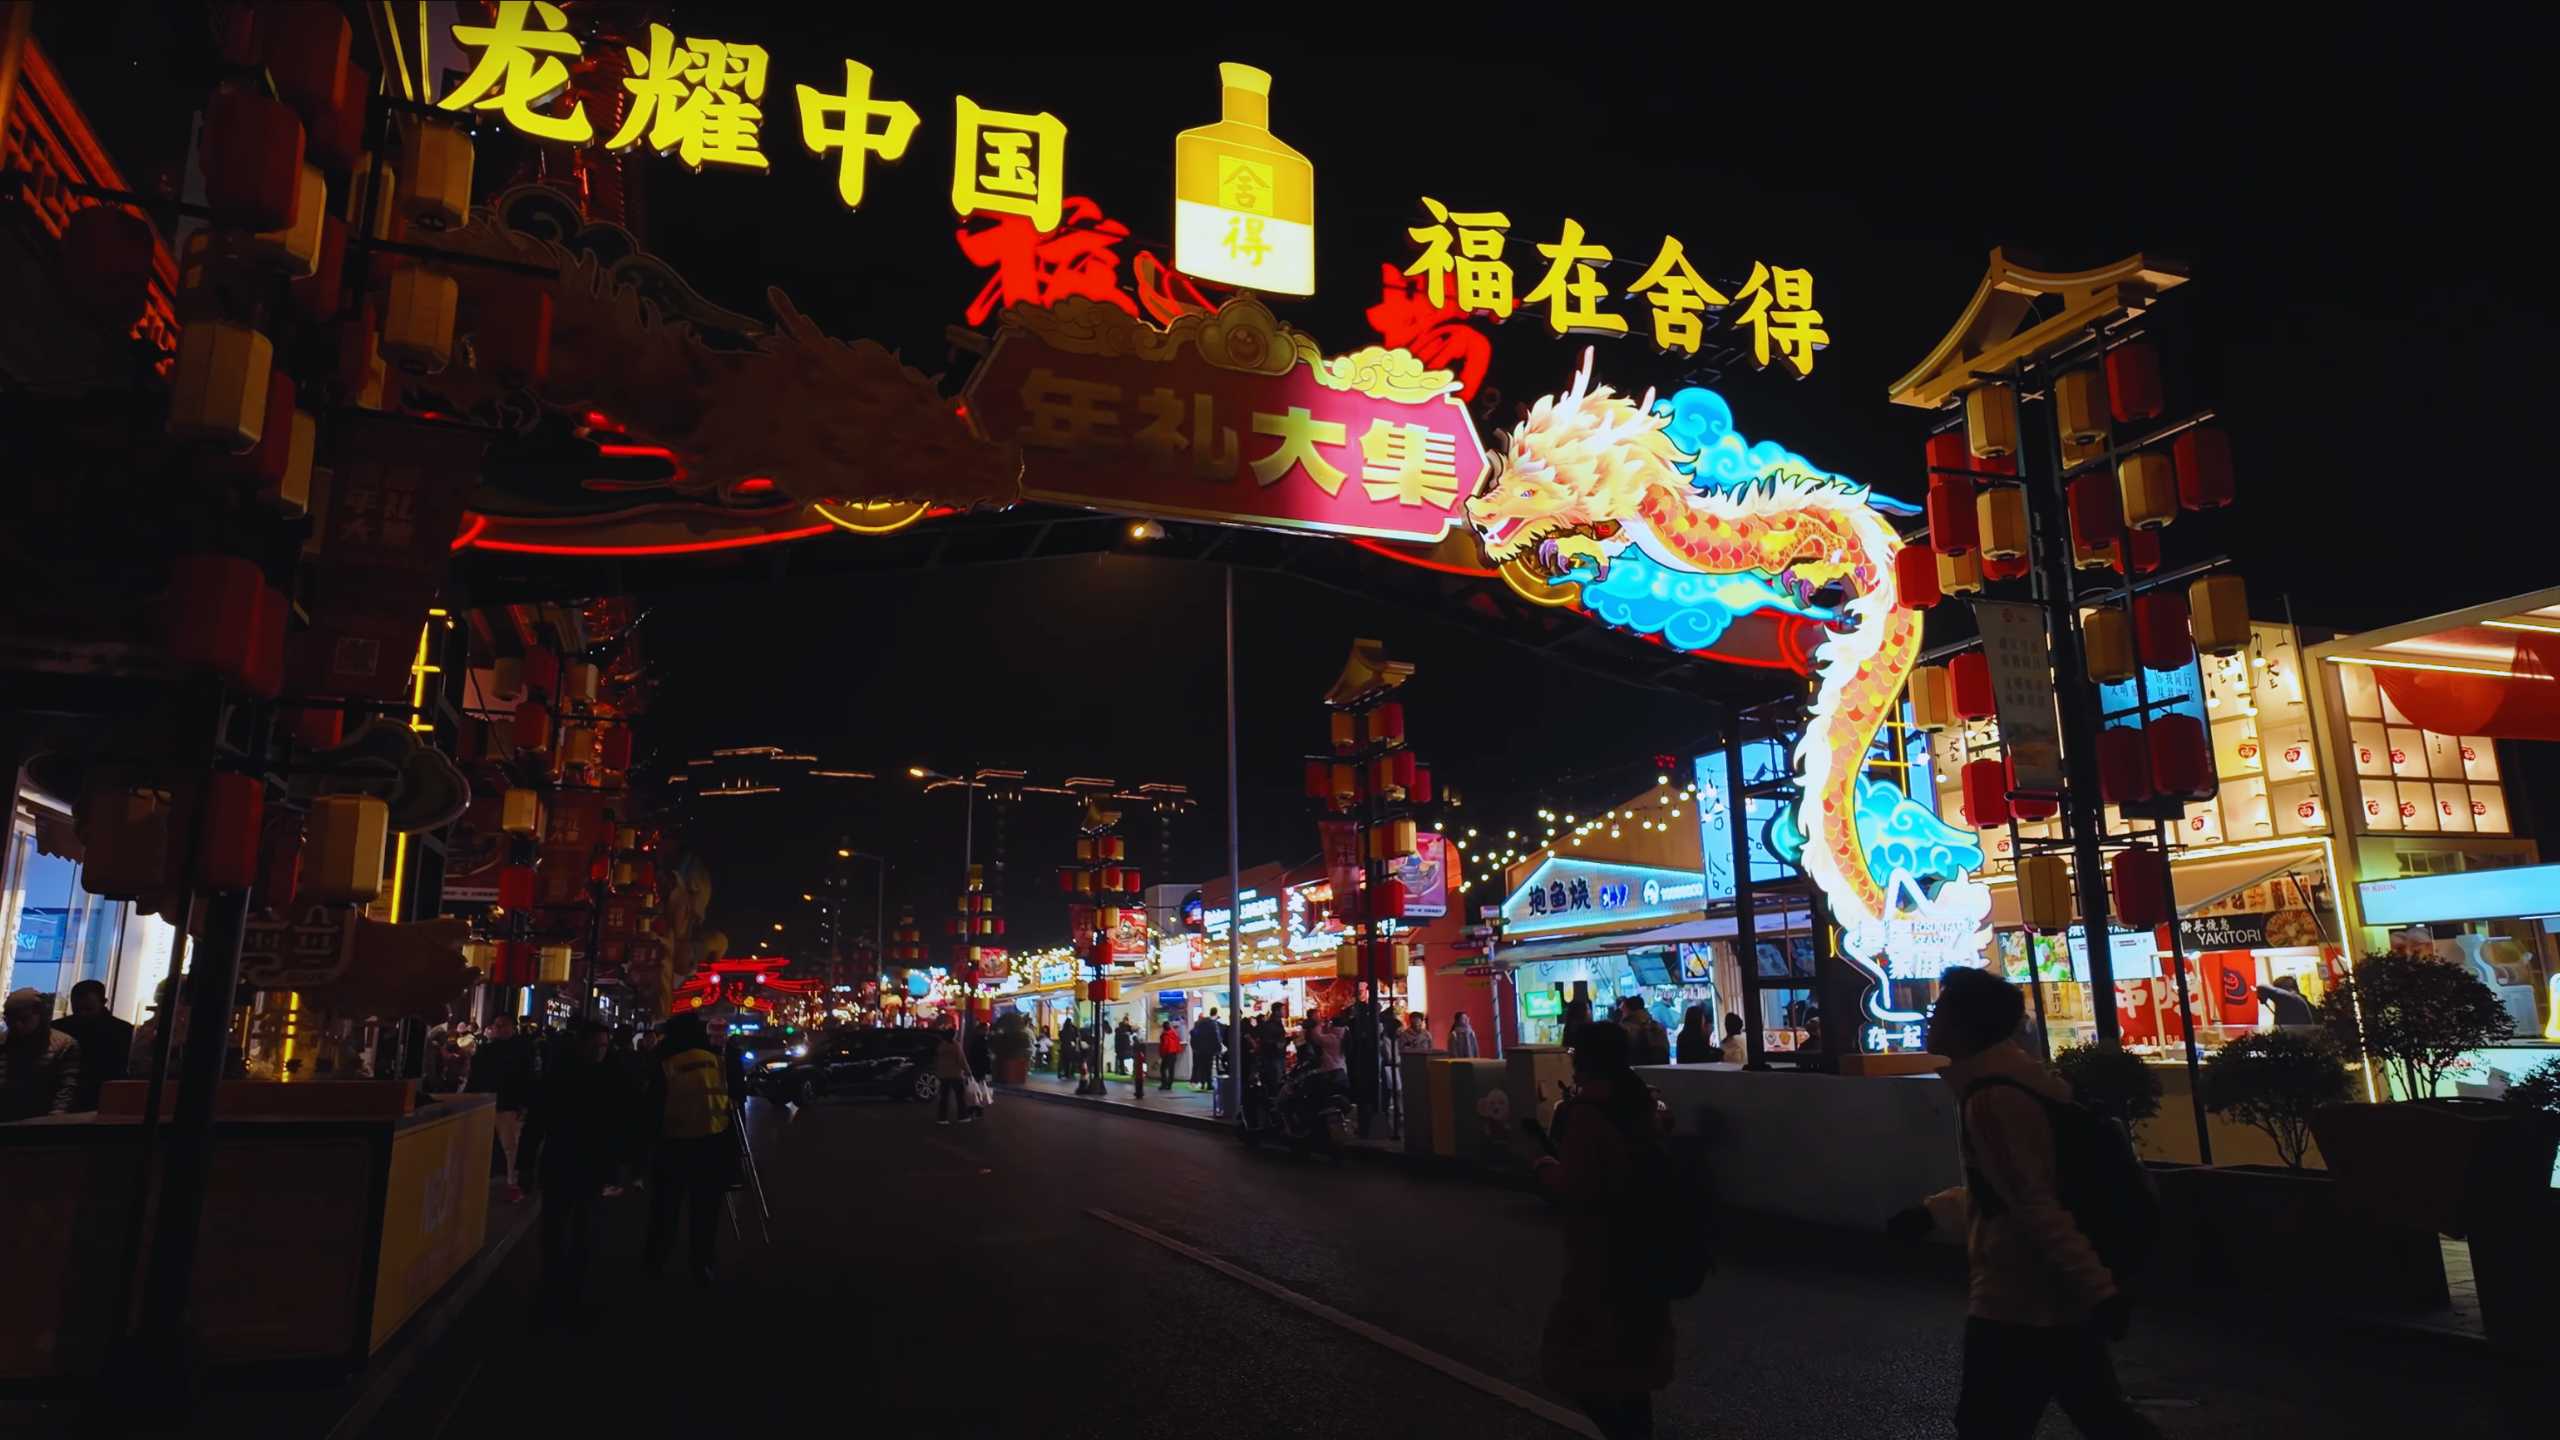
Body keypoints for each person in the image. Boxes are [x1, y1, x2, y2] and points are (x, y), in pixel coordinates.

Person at [1920, 968, 2157, 1440]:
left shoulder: (1991, 1097)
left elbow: (2032, 1204)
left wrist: (2098, 1289)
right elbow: (2013, 1188)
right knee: (2102, 1415)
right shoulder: (2018, 1082)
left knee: (1988, 1425)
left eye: (1941, 1008)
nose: (1932, 1017)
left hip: (2017, 1297)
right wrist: (1933, 1212)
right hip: (2051, 1295)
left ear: (1966, 1024)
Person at [1531, 1021, 1673, 1440]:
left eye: (1575, 1055)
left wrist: (1541, 1165)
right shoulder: (1642, 1103)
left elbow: (1577, 1187)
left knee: (1571, 1365)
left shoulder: (1586, 1115)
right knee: (1634, 1368)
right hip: (1647, 1245)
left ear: (1590, 1059)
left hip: (1600, 1255)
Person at [524, 1020, 627, 1324]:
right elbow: (537, 1122)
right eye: (595, 1045)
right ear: (581, 1045)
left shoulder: (611, 1078)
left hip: (590, 1164)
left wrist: (617, 1167)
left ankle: (573, 1287)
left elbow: (618, 1128)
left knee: (584, 1227)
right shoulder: (559, 1077)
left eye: (604, 1046)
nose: (599, 1051)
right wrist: (526, 1163)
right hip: (561, 1160)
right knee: (555, 1225)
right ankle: (553, 1284)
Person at [644, 1014, 737, 1285]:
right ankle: (702, 1264)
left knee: (665, 1210)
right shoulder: (714, 1060)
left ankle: (656, 1262)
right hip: (712, 1144)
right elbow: (726, 1103)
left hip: (673, 1145)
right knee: (705, 1213)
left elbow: (654, 1107)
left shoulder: (666, 1062)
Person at [468, 1014, 539, 1202]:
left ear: (512, 1027)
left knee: (509, 1146)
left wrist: (523, 1102)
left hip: (507, 1103)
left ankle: (511, 1182)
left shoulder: (521, 1049)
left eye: (504, 1025)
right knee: (488, 1143)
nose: (500, 1029)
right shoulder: (487, 1050)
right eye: (497, 1025)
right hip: (487, 1101)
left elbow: (526, 1077)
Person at [1, 988, 80, 1121]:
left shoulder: (64, 1045)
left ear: (40, 1015)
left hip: (39, 1122)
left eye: (24, 1019)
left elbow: (66, 1091)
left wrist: (52, 1122)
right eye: (11, 1020)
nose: (17, 1025)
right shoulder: (3, 1042)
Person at [54, 979, 132, 1111]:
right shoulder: (124, 1030)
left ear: (103, 1003)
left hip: (80, 1097)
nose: (82, 1014)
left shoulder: (59, 1028)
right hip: (103, 1098)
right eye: (77, 1009)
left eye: (88, 1009)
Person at [933, 1026, 970, 1124]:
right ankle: (962, 1116)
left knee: (944, 1097)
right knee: (960, 1097)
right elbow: (962, 1060)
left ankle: (942, 1118)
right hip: (955, 1074)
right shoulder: (956, 1046)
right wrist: (968, 1071)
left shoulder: (941, 1046)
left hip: (943, 1075)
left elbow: (937, 1060)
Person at [1617, 997, 1670, 1067]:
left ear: (1626, 1009)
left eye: (1623, 1010)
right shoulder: (1657, 1026)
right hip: (1659, 1071)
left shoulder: (1624, 1028)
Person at [1189, 1008, 1223, 1091]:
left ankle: (1202, 1083)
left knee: (1201, 1066)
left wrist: (1195, 1047)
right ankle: (1209, 1084)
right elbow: (1216, 1037)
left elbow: (1192, 1034)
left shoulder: (1198, 1024)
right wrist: (1218, 1048)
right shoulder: (1212, 1024)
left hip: (1200, 1050)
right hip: (1209, 1050)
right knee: (1208, 1067)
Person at [964, 1022, 993, 1117]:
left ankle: (974, 1107)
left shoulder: (975, 1040)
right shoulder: (982, 1041)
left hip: (975, 1068)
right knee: (978, 1088)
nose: (987, 1031)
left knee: (975, 1088)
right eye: (985, 1029)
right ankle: (976, 1107)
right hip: (979, 1068)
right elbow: (985, 1057)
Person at [1156, 1018, 1182, 1093]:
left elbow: (1165, 1045)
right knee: (1171, 1069)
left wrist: (1162, 1054)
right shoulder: (1174, 1033)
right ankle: (1169, 1084)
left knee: (1163, 1069)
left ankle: (1164, 1084)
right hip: (1174, 1053)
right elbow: (1178, 1042)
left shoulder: (1164, 1035)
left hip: (1167, 1053)